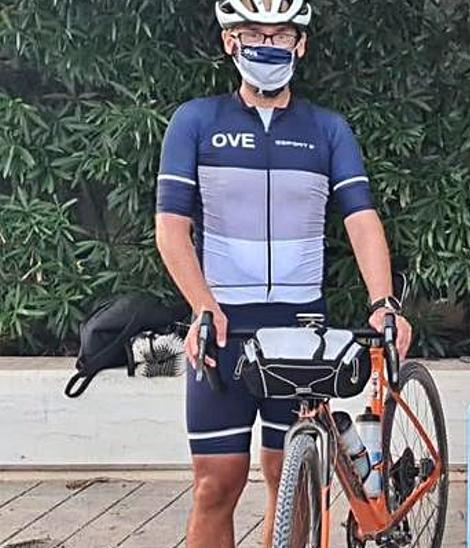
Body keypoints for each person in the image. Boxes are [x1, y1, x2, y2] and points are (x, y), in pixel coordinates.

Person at [153, 1, 411, 545]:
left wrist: (383, 300)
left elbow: (362, 220)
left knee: (288, 478)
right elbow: (171, 229)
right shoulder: (196, 122)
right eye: (252, 33)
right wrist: (202, 304)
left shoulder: (327, 129)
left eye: (280, 33)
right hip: (222, 324)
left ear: (301, 45)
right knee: (213, 487)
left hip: (300, 328)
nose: (267, 44)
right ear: (230, 43)